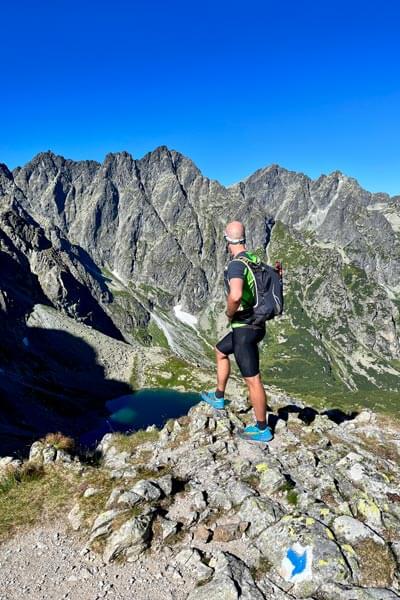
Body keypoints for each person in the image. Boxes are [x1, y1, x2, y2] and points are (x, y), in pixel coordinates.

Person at [201, 221, 273, 442]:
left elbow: (235, 295)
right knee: (220, 350)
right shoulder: (253, 260)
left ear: (226, 240)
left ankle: (263, 429)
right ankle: (219, 396)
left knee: (253, 380)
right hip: (256, 326)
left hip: (244, 330)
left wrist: (230, 313)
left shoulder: (236, 265)